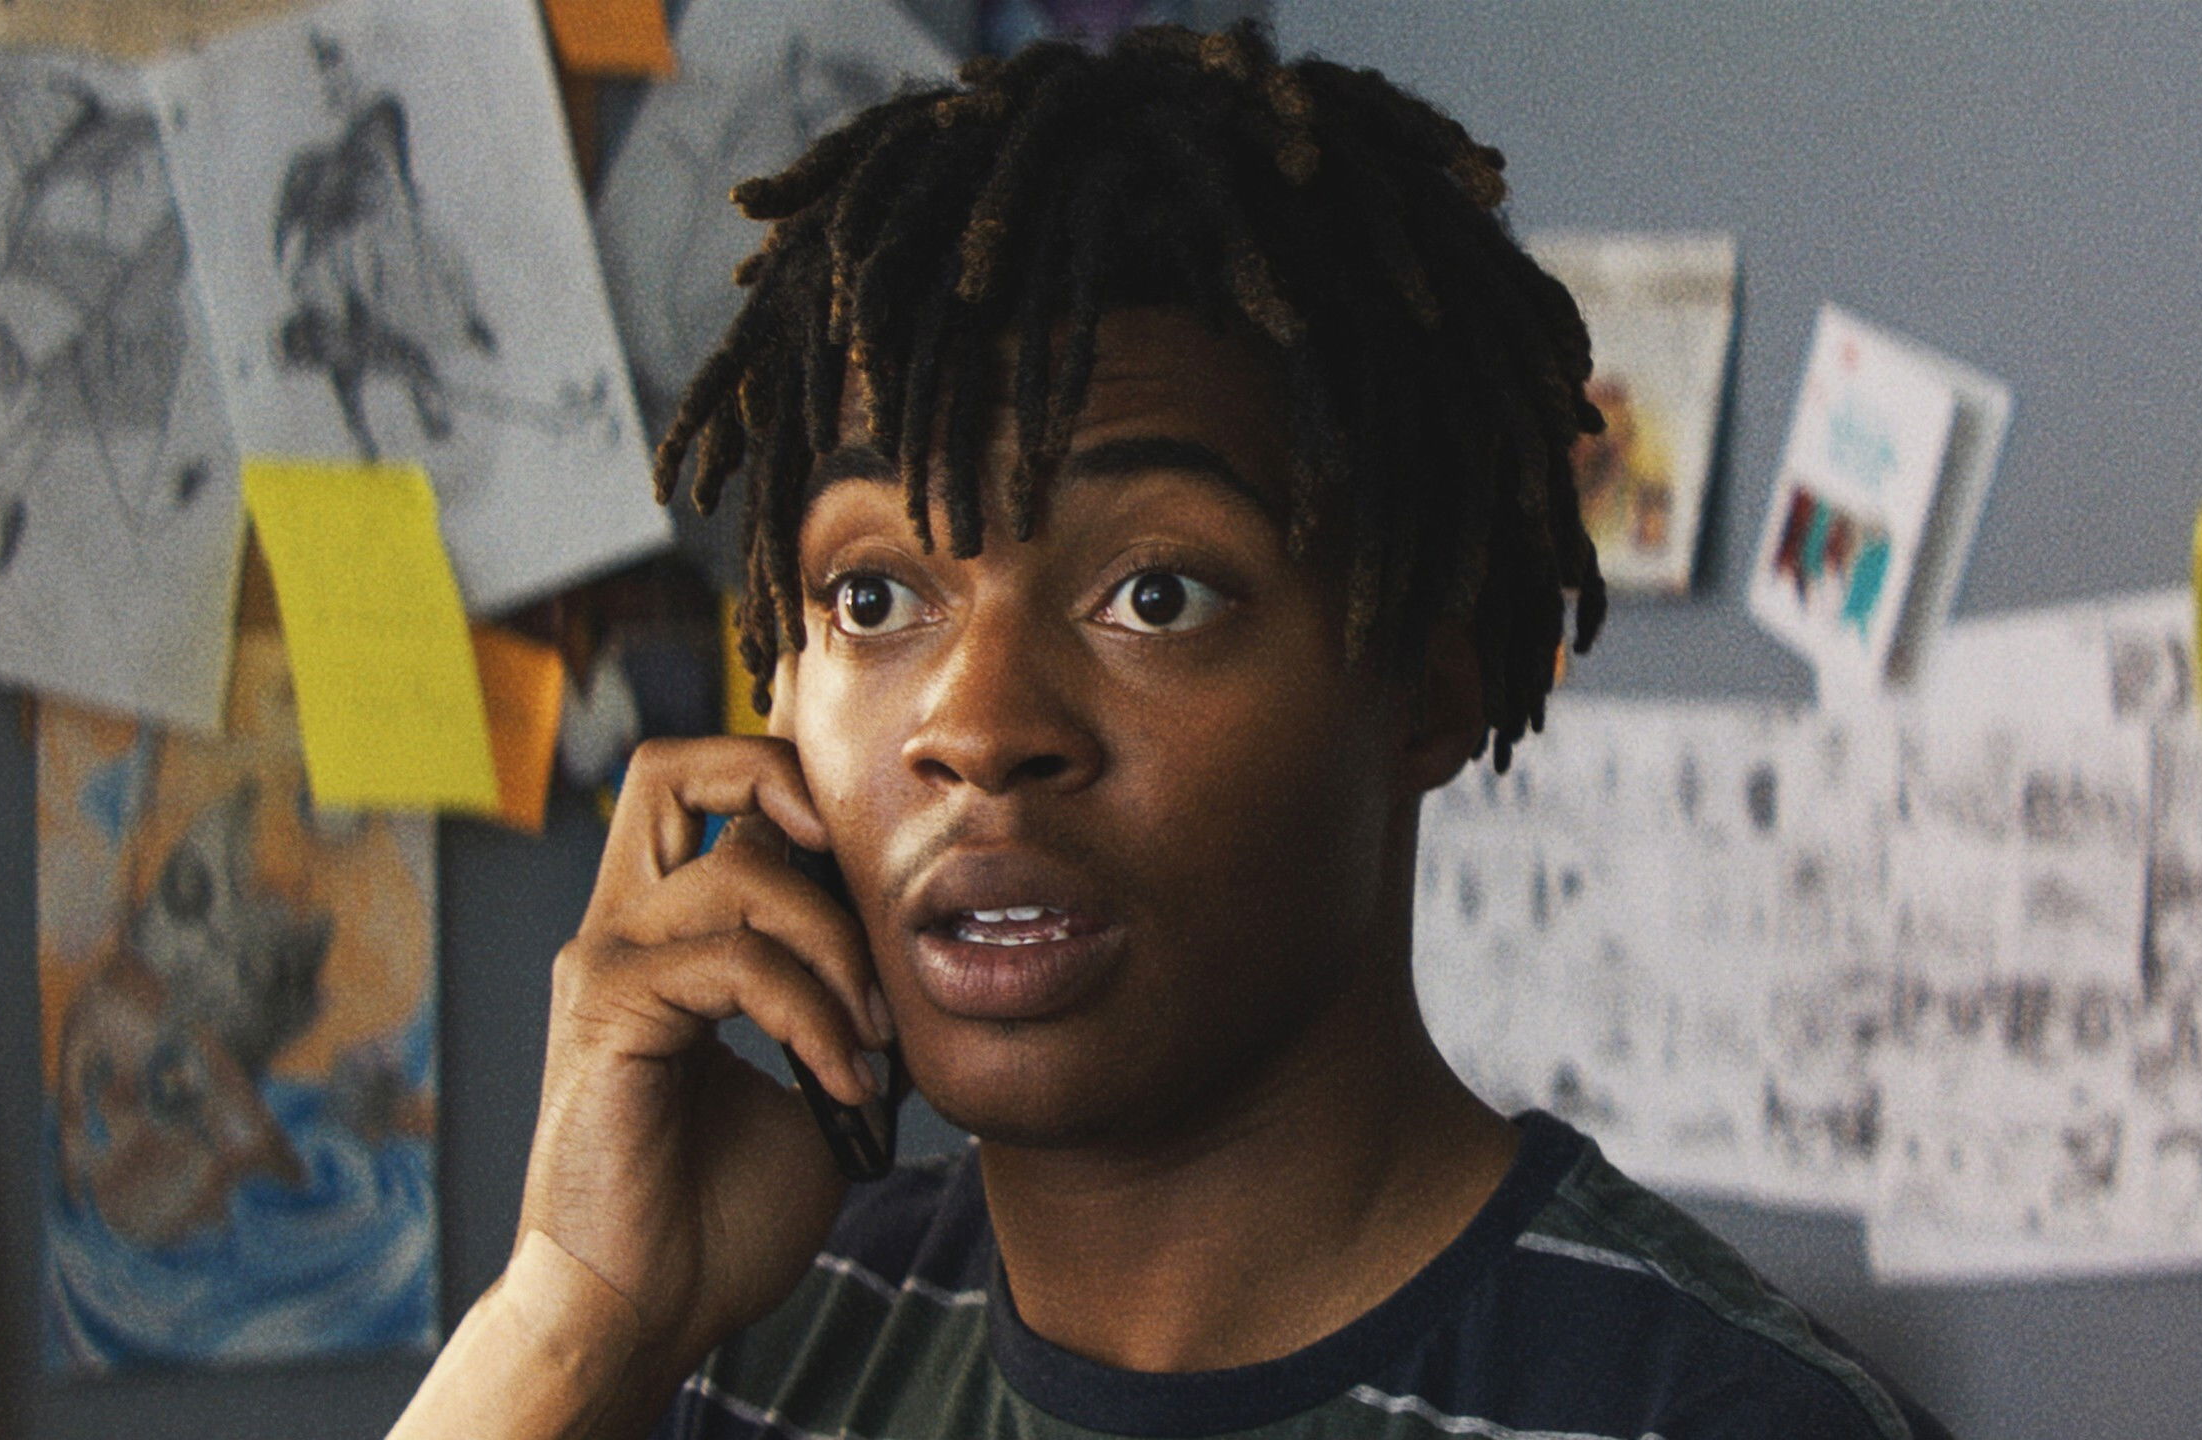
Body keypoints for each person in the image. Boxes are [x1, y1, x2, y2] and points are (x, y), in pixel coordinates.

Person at [391, 23, 1952, 1440]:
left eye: (1156, 593)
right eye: (874, 597)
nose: (976, 727)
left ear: (1429, 682)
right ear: (778, 695)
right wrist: (567, 1323)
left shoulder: (1718, 1421)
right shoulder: (732, 1351)